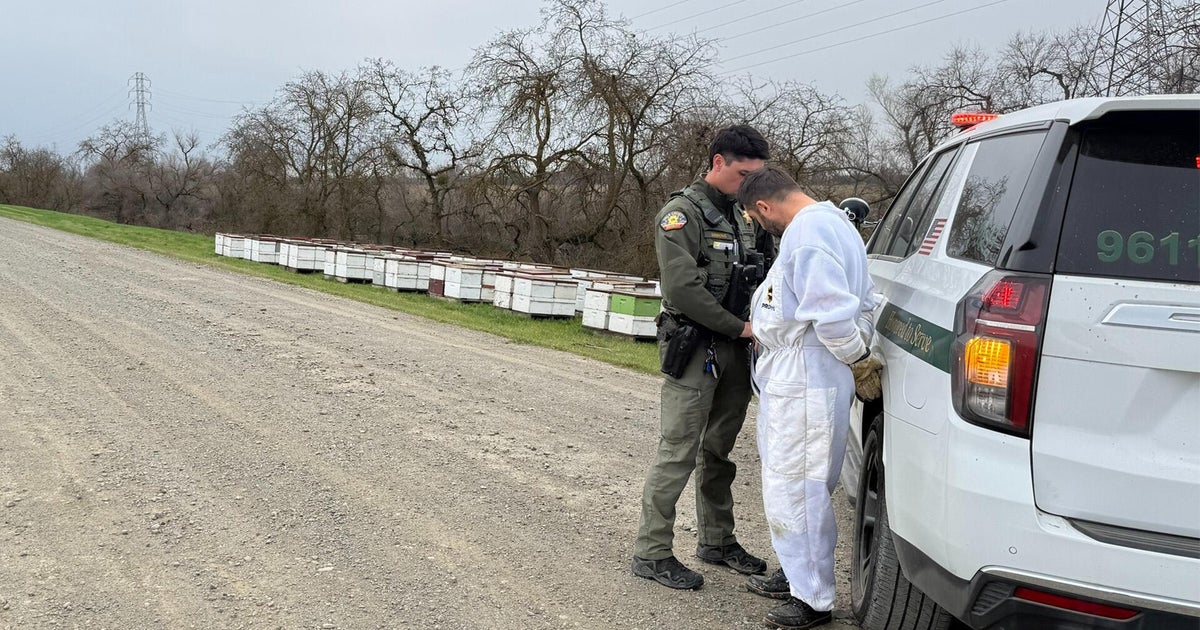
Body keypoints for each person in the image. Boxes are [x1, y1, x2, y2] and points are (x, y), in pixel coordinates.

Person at [736, 165, 882, 628]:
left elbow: (833, 316)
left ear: (764, 206)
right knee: (792, 478)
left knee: (797, 485)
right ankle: (796, 570)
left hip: (806, 372)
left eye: (759, 220)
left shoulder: (810, 232)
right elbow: (867, 298)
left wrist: (857, 358)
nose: (763, 228)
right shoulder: (831, 222)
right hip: (799, 370)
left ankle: (813, 597)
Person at [631, 125, 773, 590]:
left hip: (736, 349)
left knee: (719, 452)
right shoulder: (681, 214)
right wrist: (741, 327)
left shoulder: (747, 217)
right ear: (717, 163)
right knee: (678, 452)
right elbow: (683, 290)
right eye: (742, 174)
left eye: (757, 176)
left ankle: (716, 540)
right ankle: (651, 552)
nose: (749, 184)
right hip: (696, 347)